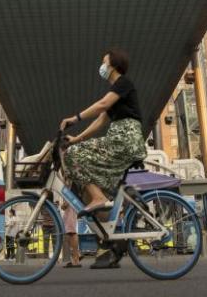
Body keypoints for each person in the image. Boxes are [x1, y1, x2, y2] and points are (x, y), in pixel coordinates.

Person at [60, 48, 146, 269]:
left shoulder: (123, 84)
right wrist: (77, 138)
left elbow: (102, 105)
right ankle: (109, 210)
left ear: (114, 65)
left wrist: (74, 118)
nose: (102, 66)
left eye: (104, 62)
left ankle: (98, 199)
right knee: (77, 153)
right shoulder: (117, 94)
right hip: (119, 138)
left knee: (73, 156)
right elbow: (100, 120)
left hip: (125, 139)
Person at [61, 201, 81, 268]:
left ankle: (75, 259)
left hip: (70, 212)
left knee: (71, 233)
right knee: (70, 234)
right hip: (70, 212)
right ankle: (76, 257)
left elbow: (64, 205)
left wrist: (63, 205)